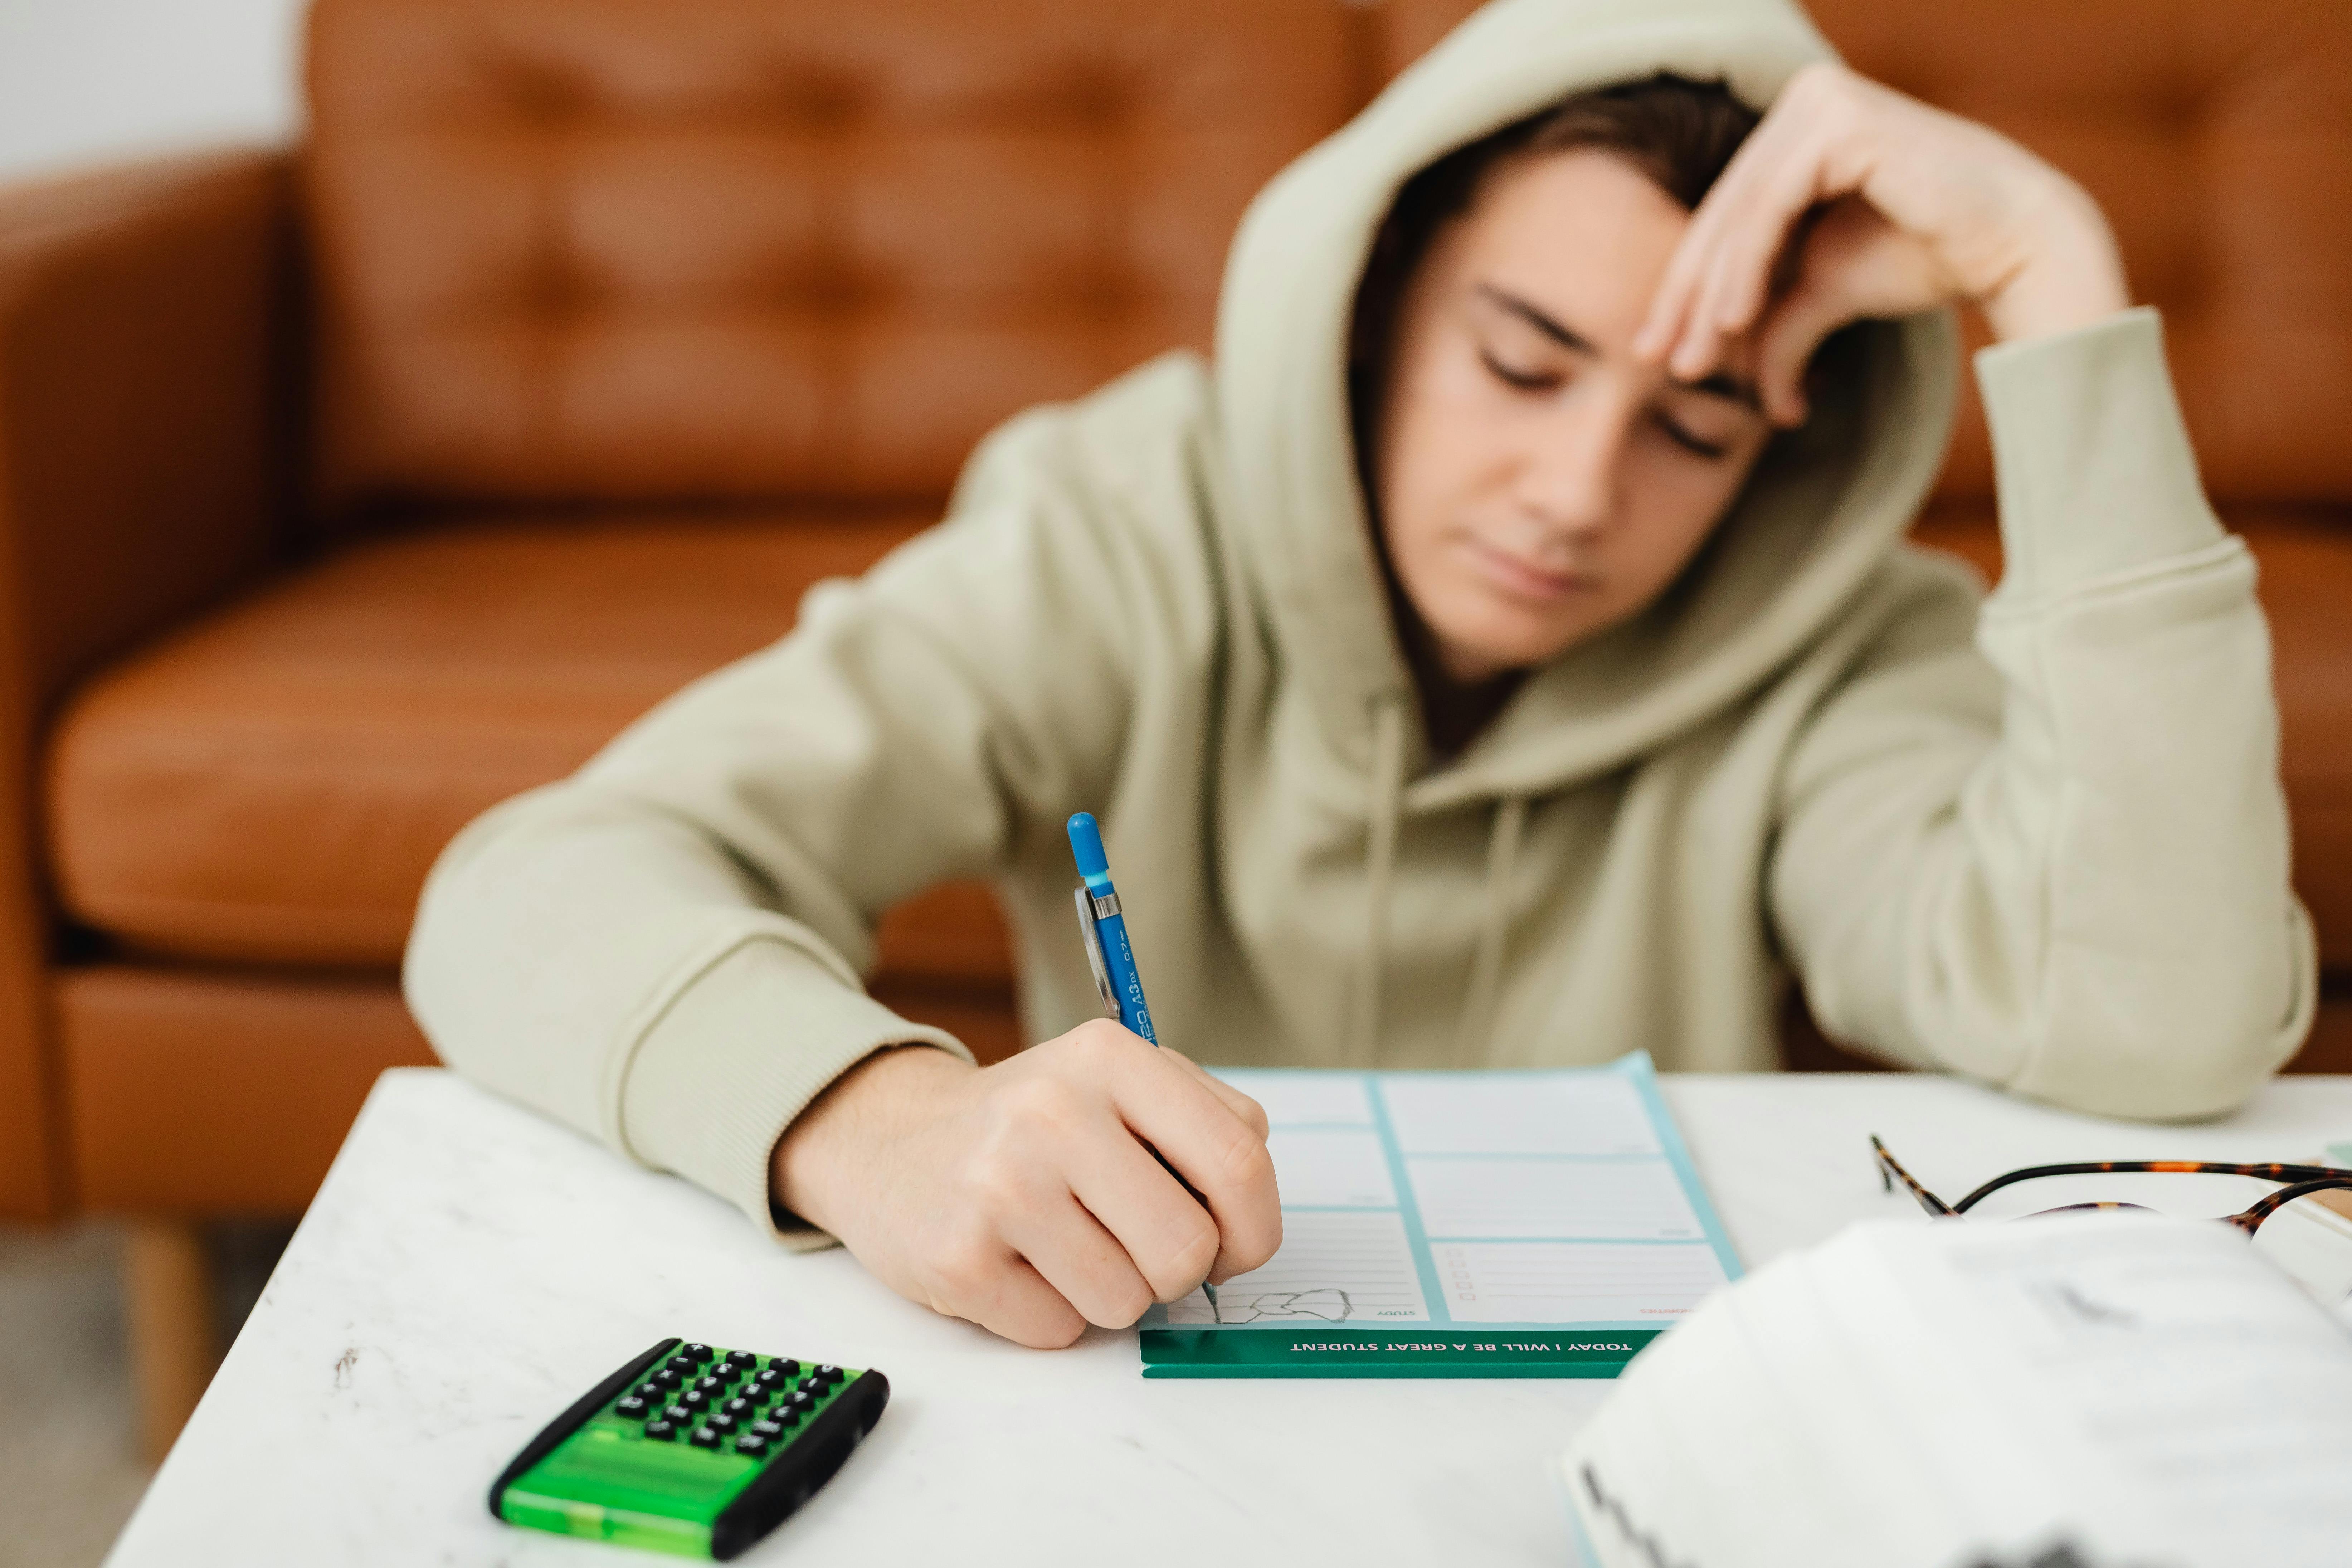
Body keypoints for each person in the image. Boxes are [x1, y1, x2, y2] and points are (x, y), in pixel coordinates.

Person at [405, 0, 2314, 1350]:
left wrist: (2056, 281)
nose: (1576, 495)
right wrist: (877, 1122)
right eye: (1523, 356)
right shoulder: (1124, 523)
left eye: (1700, 417)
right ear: (1378, 302)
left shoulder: (1837, 643)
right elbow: (535, 881)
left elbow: (2158, 1027)